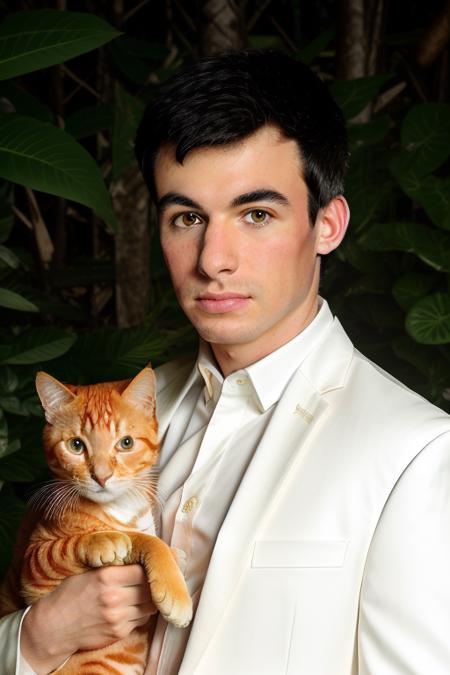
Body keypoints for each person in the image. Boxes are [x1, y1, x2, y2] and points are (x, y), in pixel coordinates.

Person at [1, 49, 449, 675]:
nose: (214, 259)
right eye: (187, 218)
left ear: (328, 224)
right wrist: (34, 639)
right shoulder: (117, 418)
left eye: (256, 214)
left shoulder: (416, 452)